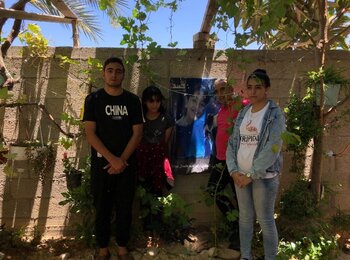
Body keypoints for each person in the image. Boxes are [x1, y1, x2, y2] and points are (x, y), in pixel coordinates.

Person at [83, 57, 143, 260]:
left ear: (123, 75)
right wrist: (112, 159)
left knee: (125, 206)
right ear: (103, 73)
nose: (114, 74)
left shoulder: (132, 101)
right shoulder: (93, 100)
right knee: (102, 207)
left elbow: (137, 133)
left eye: (118, 71)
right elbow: (90, 133)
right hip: (102, 164)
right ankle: (102, 248)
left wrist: (121, 160)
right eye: (110, 70)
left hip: (126, 165)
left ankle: (123, 248)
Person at [226, 69, 285, 260]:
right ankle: (245, 256)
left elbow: (273, 146)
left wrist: (251, 174)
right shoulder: (244, 112)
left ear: (267, 88)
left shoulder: (274, 114)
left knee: (266, 220)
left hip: (263, 177)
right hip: (240, 176)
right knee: (245, 218)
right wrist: (234, 171)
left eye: (258, 87)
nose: (253, 92)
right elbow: (233, 142)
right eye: (249, 87)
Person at [207, 78, 249, 250]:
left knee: (241, 199)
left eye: (223, 89)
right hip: (221, 160)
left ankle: (241, 236)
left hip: (237, 162)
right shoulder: (222, 110)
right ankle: (235, 223)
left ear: (231, 88)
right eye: (216, 91)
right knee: (213, 190)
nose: (220, 94)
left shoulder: (243, 106)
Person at [137, 85, 175, 197]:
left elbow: (164, 142)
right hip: (142, 159)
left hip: (158, 160)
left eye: (158, 101)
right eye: (151, 101)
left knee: (157, 193)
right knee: (142, 192)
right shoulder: (139, 118)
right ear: (144, 102)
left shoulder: (167, 119)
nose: (155, 104)